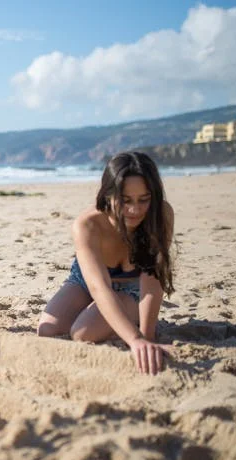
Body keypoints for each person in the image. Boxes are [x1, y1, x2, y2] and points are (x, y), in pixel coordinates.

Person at [37, 151, 175, 375]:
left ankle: (130, 319)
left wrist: (143, 339)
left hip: (134, 288)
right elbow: (98, 286)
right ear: (108, 194)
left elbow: (152, 279)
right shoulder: (87, 224)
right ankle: (122, 322)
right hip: (87, 280)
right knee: (49, 330)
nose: (135, 210)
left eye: (144, 199)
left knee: (83, 334)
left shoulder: (161, 215)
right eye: (126, 200)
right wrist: (134, 338)